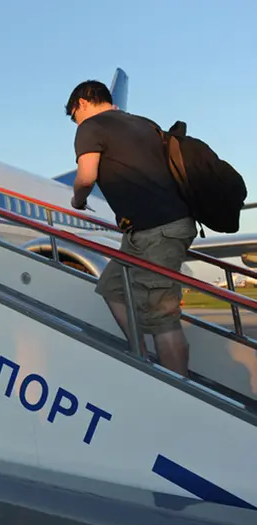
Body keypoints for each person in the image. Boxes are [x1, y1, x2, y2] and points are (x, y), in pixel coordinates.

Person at [65, 80, 197, 377]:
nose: (76, 123)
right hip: (146, 230)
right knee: (112, 286)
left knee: (162, 315)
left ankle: (178, 390)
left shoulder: (91, 126)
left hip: (159, 229)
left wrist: (77, 200)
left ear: (83, 104)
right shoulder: (143, 124)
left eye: (74, 116)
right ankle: (142, 356)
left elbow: (86, 177)